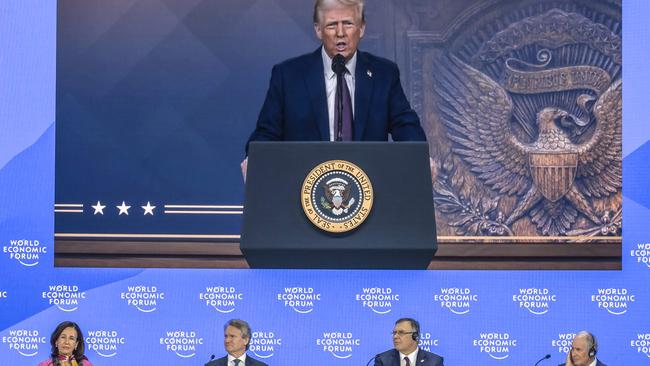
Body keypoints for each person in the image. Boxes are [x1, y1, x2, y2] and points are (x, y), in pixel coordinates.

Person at [241, 0, 427, 179]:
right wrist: (255, 158)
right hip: (303, 187)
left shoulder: (384, 74)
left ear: (361, 28)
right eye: (331, 25)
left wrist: (420, 157)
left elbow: (405, 126)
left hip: (369, 187)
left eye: (348, 24)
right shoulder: (289, 75)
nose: (340, 33)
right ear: (318, 29)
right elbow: (267, 132)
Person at [374, 318, 444, 366]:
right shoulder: (383, 360)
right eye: (394, 333)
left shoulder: (434, 362)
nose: (395, 336)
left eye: (401, 333)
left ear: (415, 336)